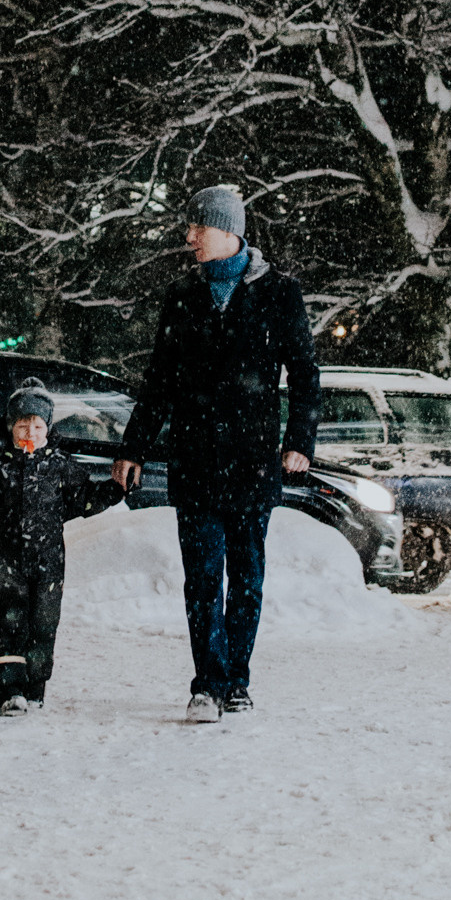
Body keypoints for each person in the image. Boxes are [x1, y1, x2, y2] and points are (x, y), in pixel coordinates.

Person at [114, 185, 319, 724]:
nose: (189, 238)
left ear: (228, 230)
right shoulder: (183, 295)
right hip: (197, 460)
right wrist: (133, 446)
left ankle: (237, 682)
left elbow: (304, 374)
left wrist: (299, 441)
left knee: (247, 576)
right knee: (202, 577)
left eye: (198, 229)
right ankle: (207, 683)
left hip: (252, 461)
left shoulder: (279, 293)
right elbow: (159, 378)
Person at [0, 382, 119, 716]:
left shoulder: (60, 465)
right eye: (22, 424)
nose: (30, 431)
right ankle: (9, 690)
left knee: (44, 624)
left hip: (48, 562)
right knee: (10, 624)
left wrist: (115, 489)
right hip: (3, 560)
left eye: (38, 425)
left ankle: (35, 685)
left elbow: (84, 499)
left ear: (47, 428)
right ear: (11, 426)